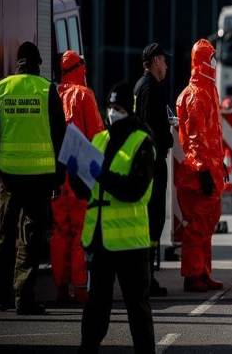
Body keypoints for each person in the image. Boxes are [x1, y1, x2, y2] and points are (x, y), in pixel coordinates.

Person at [0, 41, 66, 314]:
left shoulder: (3, 88)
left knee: (5, 236)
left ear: (18, 63)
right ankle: (24, 298)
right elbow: (61, 137)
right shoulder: (46, 89)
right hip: (39, 178)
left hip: (10, 177)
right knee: (31, 237)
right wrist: (58, 178)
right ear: (38, 63)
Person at [71, 82, 156, 354]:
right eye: (109, 107)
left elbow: (134, 190)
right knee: (96, 307)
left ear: (129, 109)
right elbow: (86, 190)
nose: (112, 113)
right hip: (100, 240)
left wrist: (102, 175)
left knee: (137, 308)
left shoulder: (142, 142)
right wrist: (75, 173)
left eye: (118, 108)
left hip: (130, 242)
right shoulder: (99, 139)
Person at [51, 50, 105, 304]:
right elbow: (98, 136)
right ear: (80, 67)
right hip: (80, 175)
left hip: (57, 175)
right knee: (81, 231)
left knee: (60, 232)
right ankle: (81, 288)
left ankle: (61, 287)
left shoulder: (53, 94)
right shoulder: (84, 95)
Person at [175, 38, 226, 292]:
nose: (215, 63)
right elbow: (195, 140)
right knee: (197, 226)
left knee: (207, 224)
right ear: (203, 61)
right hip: (197, 174)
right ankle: (193, 275)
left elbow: (213, 135)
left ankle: (203, 272)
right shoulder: (195, 95)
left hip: (209, 170)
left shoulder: (208, 90)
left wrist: (220, 164)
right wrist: (204, 170)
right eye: (212, 58)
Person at [133, 43, 173, 297]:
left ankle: (146, 276)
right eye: (164, 61)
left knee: (152, 218)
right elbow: (148, 125)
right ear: (156, 61)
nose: (166, 66)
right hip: (152, 163)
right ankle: (145, 278)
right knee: (153, 218)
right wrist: (164, 141)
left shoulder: (142, 86)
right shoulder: (151, 88)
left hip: (150, 161)